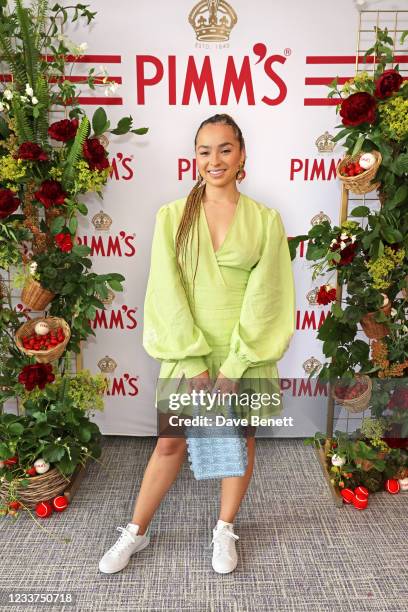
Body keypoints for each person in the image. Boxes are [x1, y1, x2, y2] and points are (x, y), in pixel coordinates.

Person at [99, 113, 296, 575]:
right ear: (194, 158)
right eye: (205, 150)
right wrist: (193, 363)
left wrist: (234, 366)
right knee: (170, 444)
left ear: (242, 154)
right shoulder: (172, 217)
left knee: (239, 440)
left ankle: (225, 528)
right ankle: (136, 532)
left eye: (225, 148)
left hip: (244, 353)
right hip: (187, 350)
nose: (215, 159)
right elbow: (164, 293)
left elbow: (269, 297)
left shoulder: (266, 221)